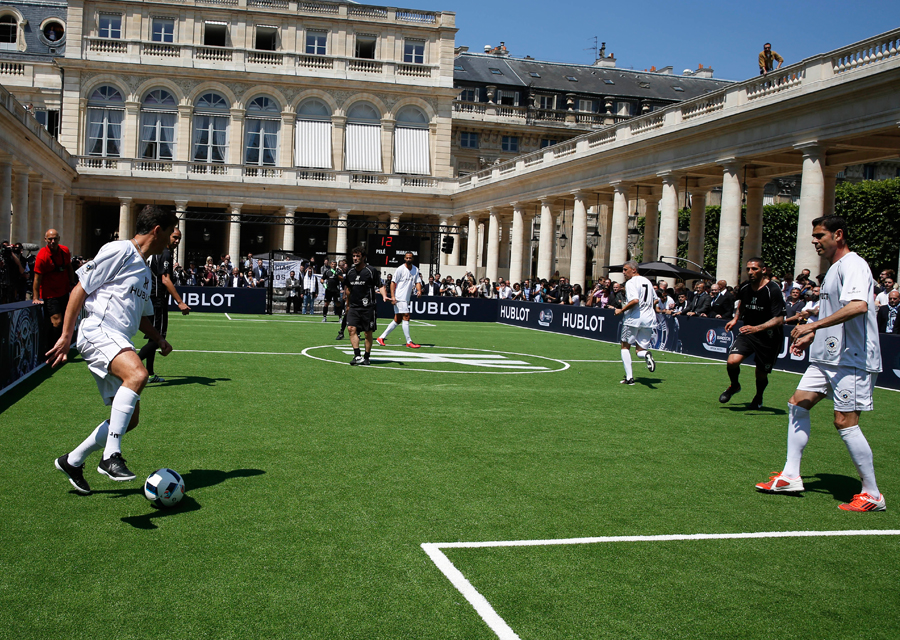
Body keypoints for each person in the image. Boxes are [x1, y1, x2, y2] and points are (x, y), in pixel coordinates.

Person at [756, 216, 885, 511]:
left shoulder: (853, 264)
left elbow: (858, 306)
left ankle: (873, 494)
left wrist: (813, 327)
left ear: (838, 235)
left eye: (819, 235)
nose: (814, 241)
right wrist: (814, 335)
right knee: (797, 404)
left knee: (844, 422)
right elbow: (837, 312)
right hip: (828, 357)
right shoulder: (833, 270)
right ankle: (790, 476)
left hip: (853, 358)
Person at [50, 205, 178, 494]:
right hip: (98, 331)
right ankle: (111, 456)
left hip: (119, 340)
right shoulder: (120, 250)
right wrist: (66, 335)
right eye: (170, 232)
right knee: (138, 374)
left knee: (130, 418)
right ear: (157, 230)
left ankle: (72, 460)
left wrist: (158, 338)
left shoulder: (146, 272)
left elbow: (141, 316)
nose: (172, 239)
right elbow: (79, 289)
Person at [719, 258, 786, 409]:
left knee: (761, 374)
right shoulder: (744, 287)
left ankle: (758, 396)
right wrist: (735, 319)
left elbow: (779, 319)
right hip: (748, 332)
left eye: (754, 269)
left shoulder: (773, 290)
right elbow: (742, 303)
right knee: (732, 362)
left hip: (769, 337)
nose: (750, 272)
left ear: (763, 270)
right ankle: (734, 386)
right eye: (748, 269)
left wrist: (757, 328)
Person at [137, 227, 190, 383]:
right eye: (174, 237)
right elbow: (165, 280)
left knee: (154, 336)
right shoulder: (165, 253)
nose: (177, 241)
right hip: (157, 299)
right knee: (158, 338)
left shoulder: (157, 252)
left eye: (179, 238)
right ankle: (131, 366)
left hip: (150, 298)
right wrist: (180, 302)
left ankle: (150, 374)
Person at [614, 261, 658, 385]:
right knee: (640, 350)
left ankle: (629, 378)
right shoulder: (648, 282)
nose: (623, 272)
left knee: (625, 346)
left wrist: (621, 310)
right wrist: (646, 307)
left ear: (634, 270)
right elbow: (656, 300)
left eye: (625, 269)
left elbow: (635, 300)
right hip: (649, 319)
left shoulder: (631, 283)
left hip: (633, 319)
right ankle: (646, 355)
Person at [343, 246, 386, 365]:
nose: (355, 258)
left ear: (364, 257)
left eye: (358, 256)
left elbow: (380, 285)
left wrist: (384, 296)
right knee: (351, 329)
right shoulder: (350, 272)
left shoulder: (371, 271)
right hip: (354, 307)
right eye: (354, 256)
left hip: (368, 307)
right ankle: (357, 356)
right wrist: (347, 304)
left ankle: (367, 357)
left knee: (368, 333)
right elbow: (348, 289)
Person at [32, 228, 75, 346]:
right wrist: (35, 297)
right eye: (50, 239)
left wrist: (72, 283)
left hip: (64, 291)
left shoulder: (65, 251)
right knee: (57, 321)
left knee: (65, 321)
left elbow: (69, 267)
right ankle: (54, 347)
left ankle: (62, 344)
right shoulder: (42, 256)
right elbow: (37, 278)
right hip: (50, 294)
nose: (52, 241)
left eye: (55, 239)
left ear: (59, 239)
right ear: (45, 240)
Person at [376, 251, 422, 348]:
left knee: (397, 320)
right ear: (404, 258)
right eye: (407, 258)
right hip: (399, 297)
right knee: (406, 316)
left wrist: (419, 291)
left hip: (407, 298)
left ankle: (381, 337)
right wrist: (393, 296)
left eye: (410, 258)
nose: (408, 259)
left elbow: (417, 282)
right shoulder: (400, 269)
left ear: (413, 259)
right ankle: (409, 341)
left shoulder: (415, 269)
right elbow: (393, 282)